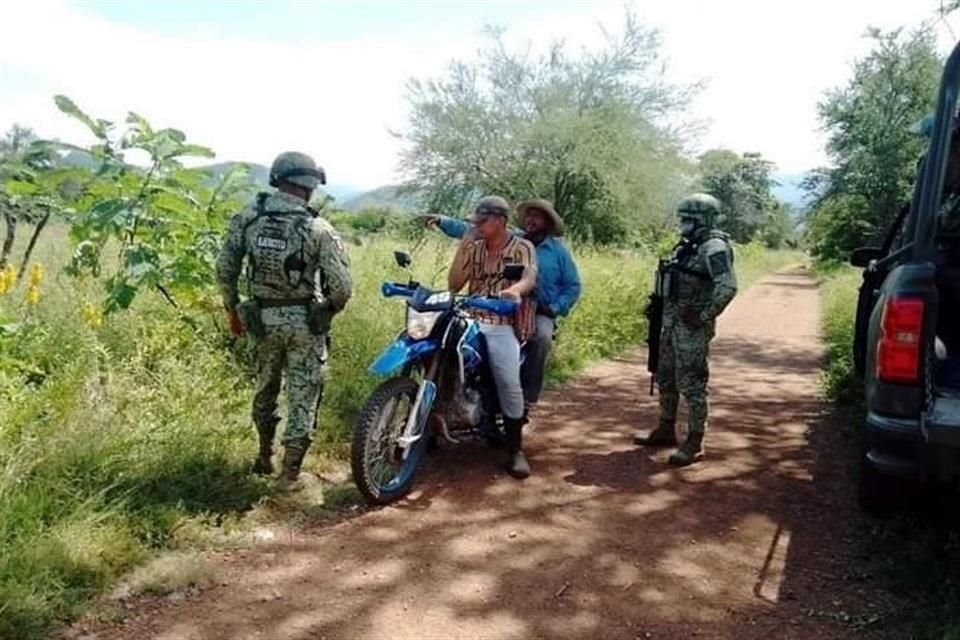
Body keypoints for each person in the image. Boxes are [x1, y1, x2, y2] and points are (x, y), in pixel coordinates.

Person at [216, 151, 352, 488]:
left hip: (261, 318)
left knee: (265, 389)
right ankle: (289, 474)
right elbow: (342, 287)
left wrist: (233, 309)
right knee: (302, 395)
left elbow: (225, 269)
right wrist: (327, 311)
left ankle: (264, 456)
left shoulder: (249, 217)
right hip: (304, 322)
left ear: (277, 179)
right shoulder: (318, 227)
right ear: (309, 186)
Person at [425, 199, 581, 415]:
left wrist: (557, 307)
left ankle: (526, 397)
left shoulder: (558, 252)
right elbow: (472, 229)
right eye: (529, 215)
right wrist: (443, 221)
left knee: (541, 337)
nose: (531, 220)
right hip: (499, 303)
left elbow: (573, 285)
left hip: (539, 308)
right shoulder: (513, 238)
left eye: (537, 216)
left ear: (546, 222)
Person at [635, 193, 737, 466]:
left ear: (702, 220)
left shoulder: (713, 248)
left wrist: (703, 315)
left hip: (691, 328)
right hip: (670, 323)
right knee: (665, 376)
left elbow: (727, 287)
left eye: (688, 219)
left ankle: (695, 440)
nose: (683, 224)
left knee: (692, 383)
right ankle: (666, 428)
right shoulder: (688, 245)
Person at [447, 195, 538, 478]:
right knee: (437, 349)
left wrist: (516, 291)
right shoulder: (474, 247)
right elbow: (454, 284)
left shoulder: (522, 246)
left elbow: (529, 276)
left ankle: (515, 449)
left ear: (500, 221)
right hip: (469, 316)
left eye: (483, 222)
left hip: (501, 319)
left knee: (508, 381)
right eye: (475, 222)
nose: (478, 227)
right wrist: (464, 244)